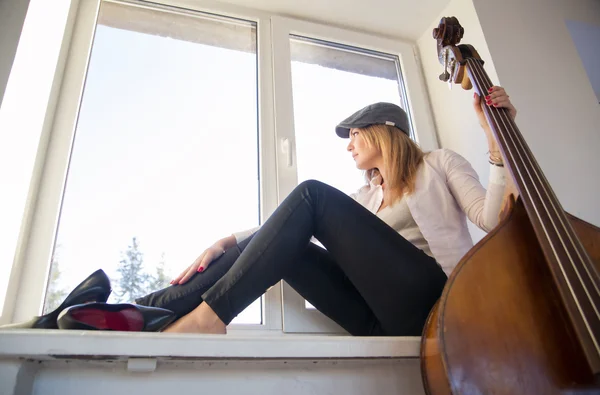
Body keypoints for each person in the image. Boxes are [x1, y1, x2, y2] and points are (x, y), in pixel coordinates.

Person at [132, 86, 517, 336]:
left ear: (384, 128)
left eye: (354, 134)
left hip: (435, 307)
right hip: (375, 321)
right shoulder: (367, 198)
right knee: (286, 244)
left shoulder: (439, 164)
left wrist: (495, 138)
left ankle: (208, 318)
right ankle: (141, 312)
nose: (349, 146)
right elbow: (286, 227)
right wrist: (228, 239)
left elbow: (492, 217)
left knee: (312, 196)